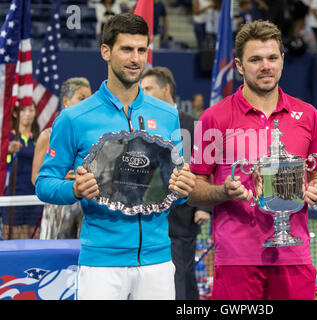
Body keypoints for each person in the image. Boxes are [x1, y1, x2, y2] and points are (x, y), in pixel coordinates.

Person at [35, 13, 196, 300]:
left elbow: (172, 187)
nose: (136, 58)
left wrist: (183, 190)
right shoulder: (74, 118)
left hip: (158, 261)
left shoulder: (168, 115)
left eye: (141, 50)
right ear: (106, 51)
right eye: (126, 49)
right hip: (101, 265)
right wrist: (73, 189)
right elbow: (44, 183)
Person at [188, 20, 317, 300]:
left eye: (272, 58)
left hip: (294, 256)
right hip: (236, 259)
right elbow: (194, 190)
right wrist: (222, 192)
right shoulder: (213, 118)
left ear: (282, 61)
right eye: (255, 59)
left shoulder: (309, 115)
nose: (265, 66)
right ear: (240, 66)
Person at [140, 66, 211, 300]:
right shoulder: (140, 126)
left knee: (181, 278)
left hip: (181, 220)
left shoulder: (193, 125)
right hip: (146, 219)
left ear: (166, 89)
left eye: (148, 88)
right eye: (141, 89)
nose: (143, 93)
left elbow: (204, 169)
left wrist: (203, 207)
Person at [31, 77, 92, 239]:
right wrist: (61, 179)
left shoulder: (93, 136)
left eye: (89, 98)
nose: (87, 103)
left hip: (85, 206)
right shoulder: (48, 136)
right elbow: (36, 177)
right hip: (57, 207)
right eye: (82, 98)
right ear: (66, 101)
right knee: (53, 259)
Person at [1, 104, 43, 240]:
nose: (27, 114)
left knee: (34, 238)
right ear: (15, 113)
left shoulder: (40, 139)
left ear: (35, 113)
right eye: (23, 110)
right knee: (12, 240)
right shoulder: (6, 139)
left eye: (31, 110)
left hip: (35, 195)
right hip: (12, 196)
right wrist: (6, 150)